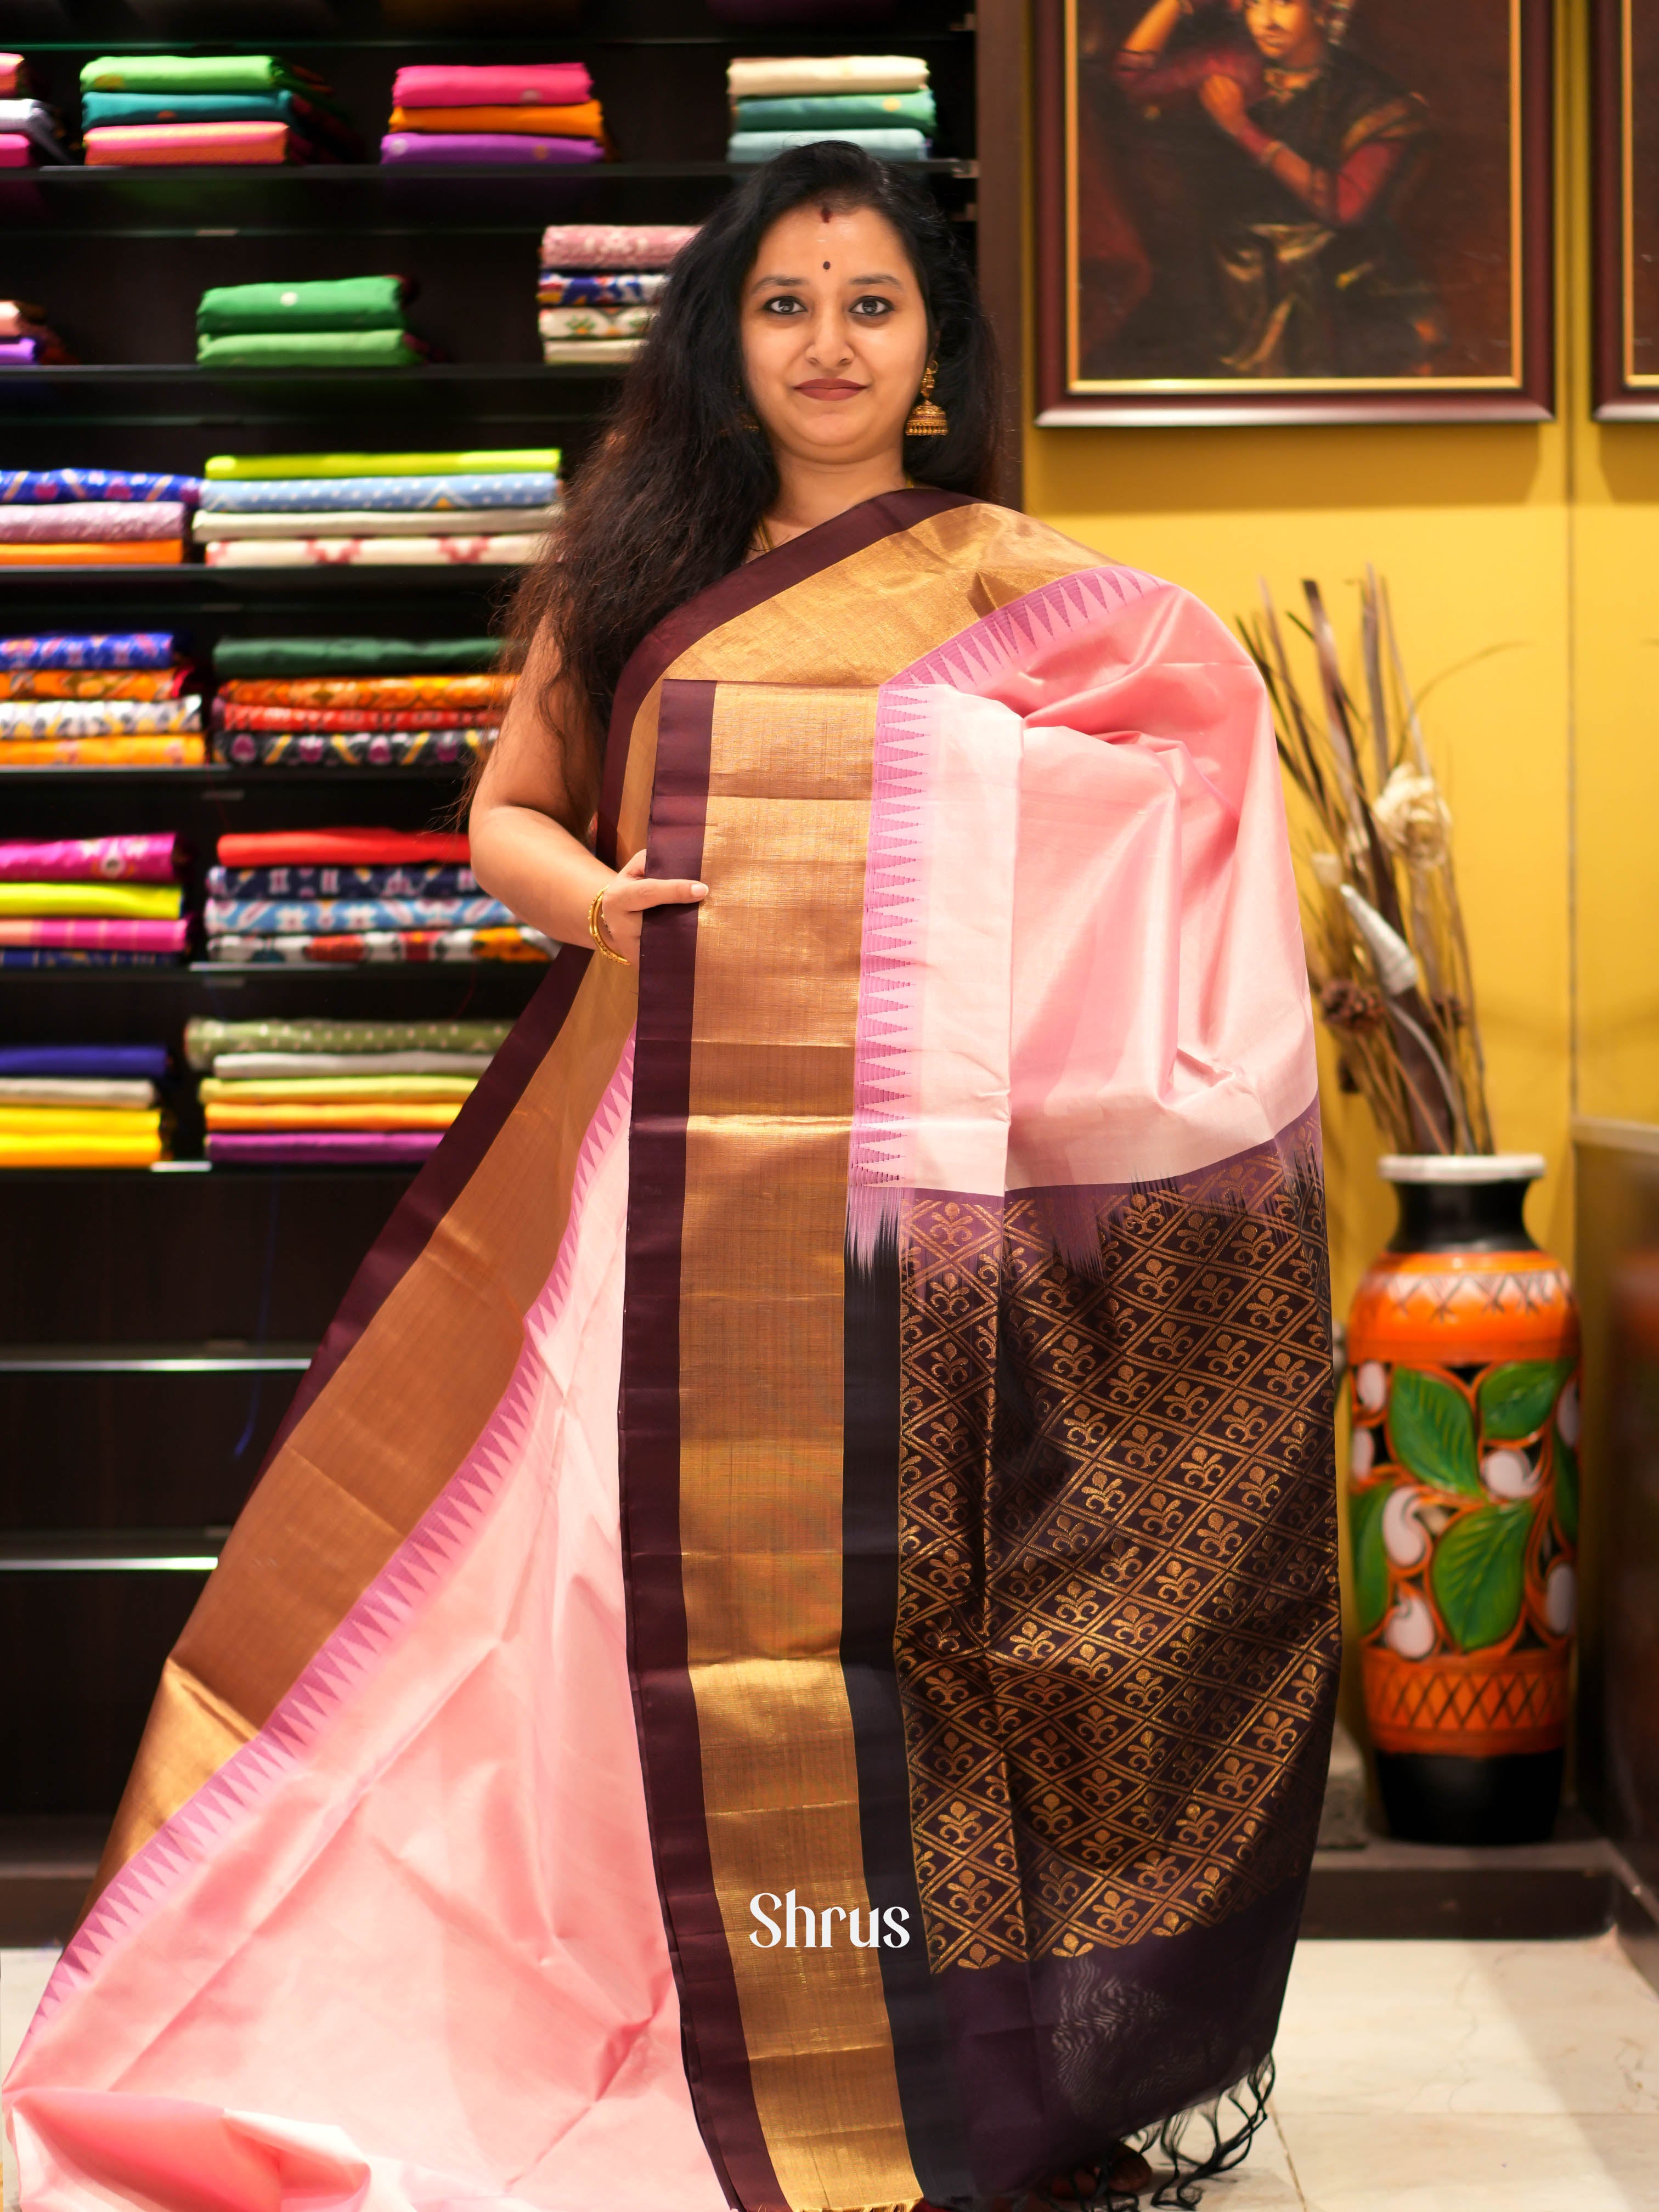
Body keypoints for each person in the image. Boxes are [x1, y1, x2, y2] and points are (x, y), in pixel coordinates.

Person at [4, 145, 1339, 2212]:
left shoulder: (1004, 580)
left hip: (903, 1210)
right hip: (666, 1170)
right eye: (783, 301)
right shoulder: (632, 560)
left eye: (869, 303)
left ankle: (857, 2007)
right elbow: (505, 817)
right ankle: (614, 1970)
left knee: (880, 1600)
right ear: (724, 337)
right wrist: (610, 904)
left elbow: (1169, 786)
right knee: (603, 1583)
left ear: (931, 351)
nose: (825, 341)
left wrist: (944, 811)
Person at [1093, 0, 1441, 378]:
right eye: (1256, 4)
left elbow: (1344, 206)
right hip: (1236, 279)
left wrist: (1244, 131)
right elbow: (1129, 78)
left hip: (1336, 282)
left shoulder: (1373, 97)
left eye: (1285, 4)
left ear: (1322, 11)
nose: (1267, 22)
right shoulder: (1233, 63)